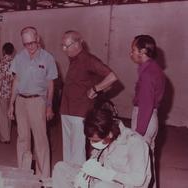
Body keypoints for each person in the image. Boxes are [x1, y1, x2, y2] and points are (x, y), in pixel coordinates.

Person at [52, 107, 151, 188]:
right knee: (60, 168)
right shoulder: (103, 137)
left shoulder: (135, 142)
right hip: (103, 180)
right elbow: (95, 162)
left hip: (124, 185)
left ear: (110, 134)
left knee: (100, 186)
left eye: (95, 141)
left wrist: (106, 174)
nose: (92, 144)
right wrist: (86, 171)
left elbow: (138, 180)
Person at [60, 30, 118, 165]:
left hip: (80, 112)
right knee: (67, 150)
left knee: (77, 151)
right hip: (66, 110)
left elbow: (112, 77)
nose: (63, 49)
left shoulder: (89, 60)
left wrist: (95, 88)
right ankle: (67, 178)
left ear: (77, 44)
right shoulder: (73, 59)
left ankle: (77, 181)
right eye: (62, 45)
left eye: (66, 46)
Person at [8, 26, 58, 178]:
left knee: (41, 139)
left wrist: (49, 106)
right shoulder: (19, 57)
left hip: (38, 102)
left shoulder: (47, 58)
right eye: (25, 44)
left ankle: (43, 177)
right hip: (21, 102)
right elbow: (16, 81)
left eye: (31, 43)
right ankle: (23, 173)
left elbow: (51, 84)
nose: (29, 47)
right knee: (22, 139)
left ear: (38, 39)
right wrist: (11, 103)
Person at [130, 35, 165, 187]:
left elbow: (146, 105)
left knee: (139, 162)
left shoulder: (147, 74)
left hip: (145, 118)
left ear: (143, 51)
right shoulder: (154, 69)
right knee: (148, 159)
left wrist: (138, 131)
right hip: (152, 118)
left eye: (133, 50)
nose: (131, 53)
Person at [0, 42, 15, 144]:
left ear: (4, 51)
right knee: (9, 113)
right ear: (13, 51)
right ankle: (7, 135)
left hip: (1, 91)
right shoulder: (15, 62)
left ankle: (5, 137)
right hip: (12, 92)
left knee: (2, 114)